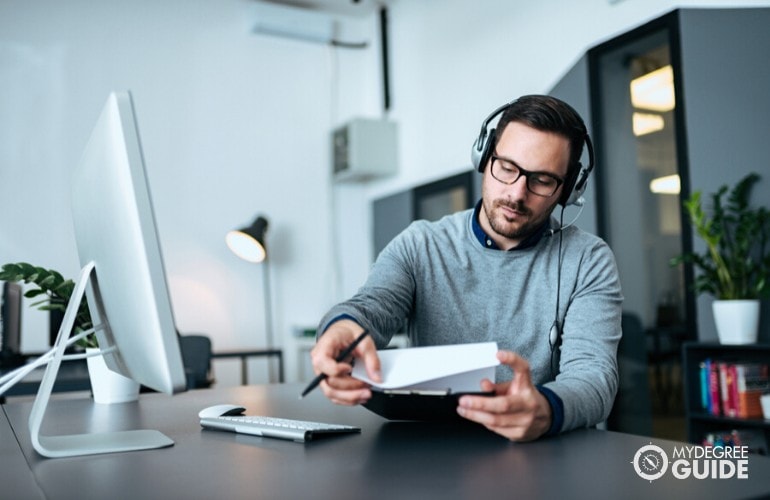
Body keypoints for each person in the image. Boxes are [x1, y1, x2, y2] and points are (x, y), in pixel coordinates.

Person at [310, 95, 623, 441]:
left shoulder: (588, 260)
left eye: (543, 180)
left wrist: (546, 408)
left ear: (568, 190)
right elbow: (371, 306)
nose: (517, 193)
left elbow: (594, 377)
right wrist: (341, 328)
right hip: (433, 454)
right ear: (484, 156)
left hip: (542, 452)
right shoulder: (421, 244)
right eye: (506, 167)